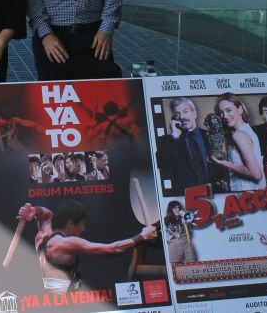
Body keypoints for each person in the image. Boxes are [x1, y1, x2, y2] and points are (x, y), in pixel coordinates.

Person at [18, 201, 156, 294]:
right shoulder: (67, 243)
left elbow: (45, 213)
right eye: (82, 224)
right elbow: (112, 249)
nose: (83, 228)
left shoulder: (44, 230)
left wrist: (33, 210)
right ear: (71, 223)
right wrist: (142, 236)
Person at [211, 93, 265, 191]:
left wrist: (226, 164)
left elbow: (256, 175)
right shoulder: (246, 130)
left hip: (247, 195)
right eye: (221, 112)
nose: (225, 116)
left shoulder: (239, 135)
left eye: (228, 110)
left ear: (240, 109)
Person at [165, 97, 219, 192]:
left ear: (194, 113)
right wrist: (174, 136)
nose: (181, 117)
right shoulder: (173, 141)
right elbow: (165, 165)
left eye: (185, 111)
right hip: (188, 195)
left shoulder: (211, 136)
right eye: (177, 114)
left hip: (215, 191)